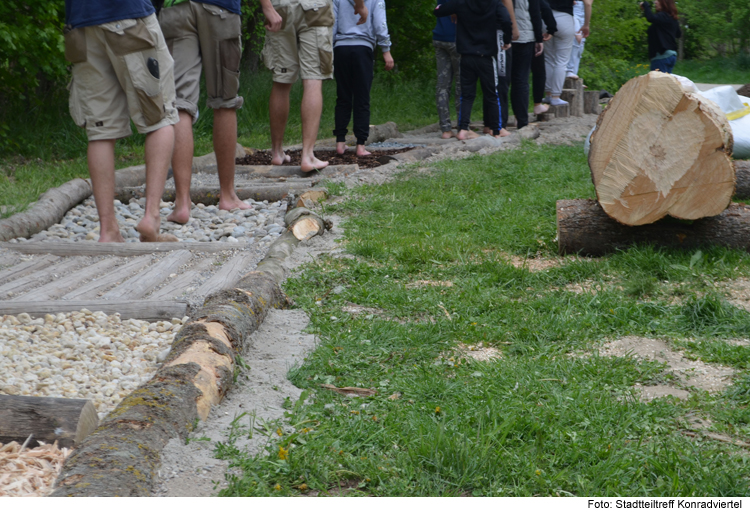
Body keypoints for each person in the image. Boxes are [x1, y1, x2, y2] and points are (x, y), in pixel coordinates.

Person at [64, 0, 179, 243]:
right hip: (128, 15)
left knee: (100, 129)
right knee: (160, 116)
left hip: (81, 24)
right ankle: (151, 217)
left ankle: (108, 230)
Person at [158, 0, 275, 224]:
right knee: (225, 100)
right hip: (219, 7)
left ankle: (182, 202)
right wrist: (267, 7)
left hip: (176, 9)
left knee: (180, 103)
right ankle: (228, 196)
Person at [262, 0, 369, 173]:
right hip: (314, 6)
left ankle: (276, 152)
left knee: (281, 80)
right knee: (313, 79)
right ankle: (308, 156)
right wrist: (359, 4)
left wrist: (267, 7)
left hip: (279, 6)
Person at [434, 0, 513, 140]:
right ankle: (496, 130)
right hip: (486, 56)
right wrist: (506, 40)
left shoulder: (461, 3)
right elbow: (506, 20)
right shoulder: (494, 3)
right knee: (491, 94)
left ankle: (463, 129)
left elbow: (438, 10)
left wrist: (451, 10)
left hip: (466, 55)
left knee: (467, 95)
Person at [332, 0, 394, 157]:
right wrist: (386, 49)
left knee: (343, 96)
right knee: (362, 98)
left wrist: (329, 49)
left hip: (341, 49)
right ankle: (360, 145)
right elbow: (380, 24)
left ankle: (340, 142)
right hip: (363, 49)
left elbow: (332, 23)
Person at [544, 0, 591, 107]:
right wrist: (586, 24)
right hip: (564, 18)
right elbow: (587, 3)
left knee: (548, 58)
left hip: (545, 17)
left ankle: (548, 94)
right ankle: (556, 96)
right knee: (561, 60)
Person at [507, 0, 546, 130]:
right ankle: (522, 121)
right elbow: (534, 11)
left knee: (501, 79)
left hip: (501, 34)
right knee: (521, 80)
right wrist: (538, 38)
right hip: (524, 35)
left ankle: (494, 122)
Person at [433, 9, 461, 139]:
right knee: (461, 83)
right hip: (456, 38)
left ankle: (445, 129)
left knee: (442, 84)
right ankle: (462, 126)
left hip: (439, 36)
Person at [640, 0, 680, 74]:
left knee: (658, 83)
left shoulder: (663, 15)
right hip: (671, 55)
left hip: (662, 55)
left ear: (664, 3)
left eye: (658, 0)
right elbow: (678, 34)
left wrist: (646, 5)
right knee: (665, 83)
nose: (655, 2)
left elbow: (650, 18)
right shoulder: (673, 19)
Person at [532, 0, 557, 115]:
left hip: (508, 36)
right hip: (531, 36)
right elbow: (543, 8)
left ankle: (516, 115)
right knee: (539, 72)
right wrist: (550, 29)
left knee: (517, 77)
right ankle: (537, 104)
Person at [565, 0, 586, 80]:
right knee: (576, 39)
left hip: (583, 12)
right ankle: (569, 71)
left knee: (581, 46)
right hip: (574, 9)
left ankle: (573, 75)